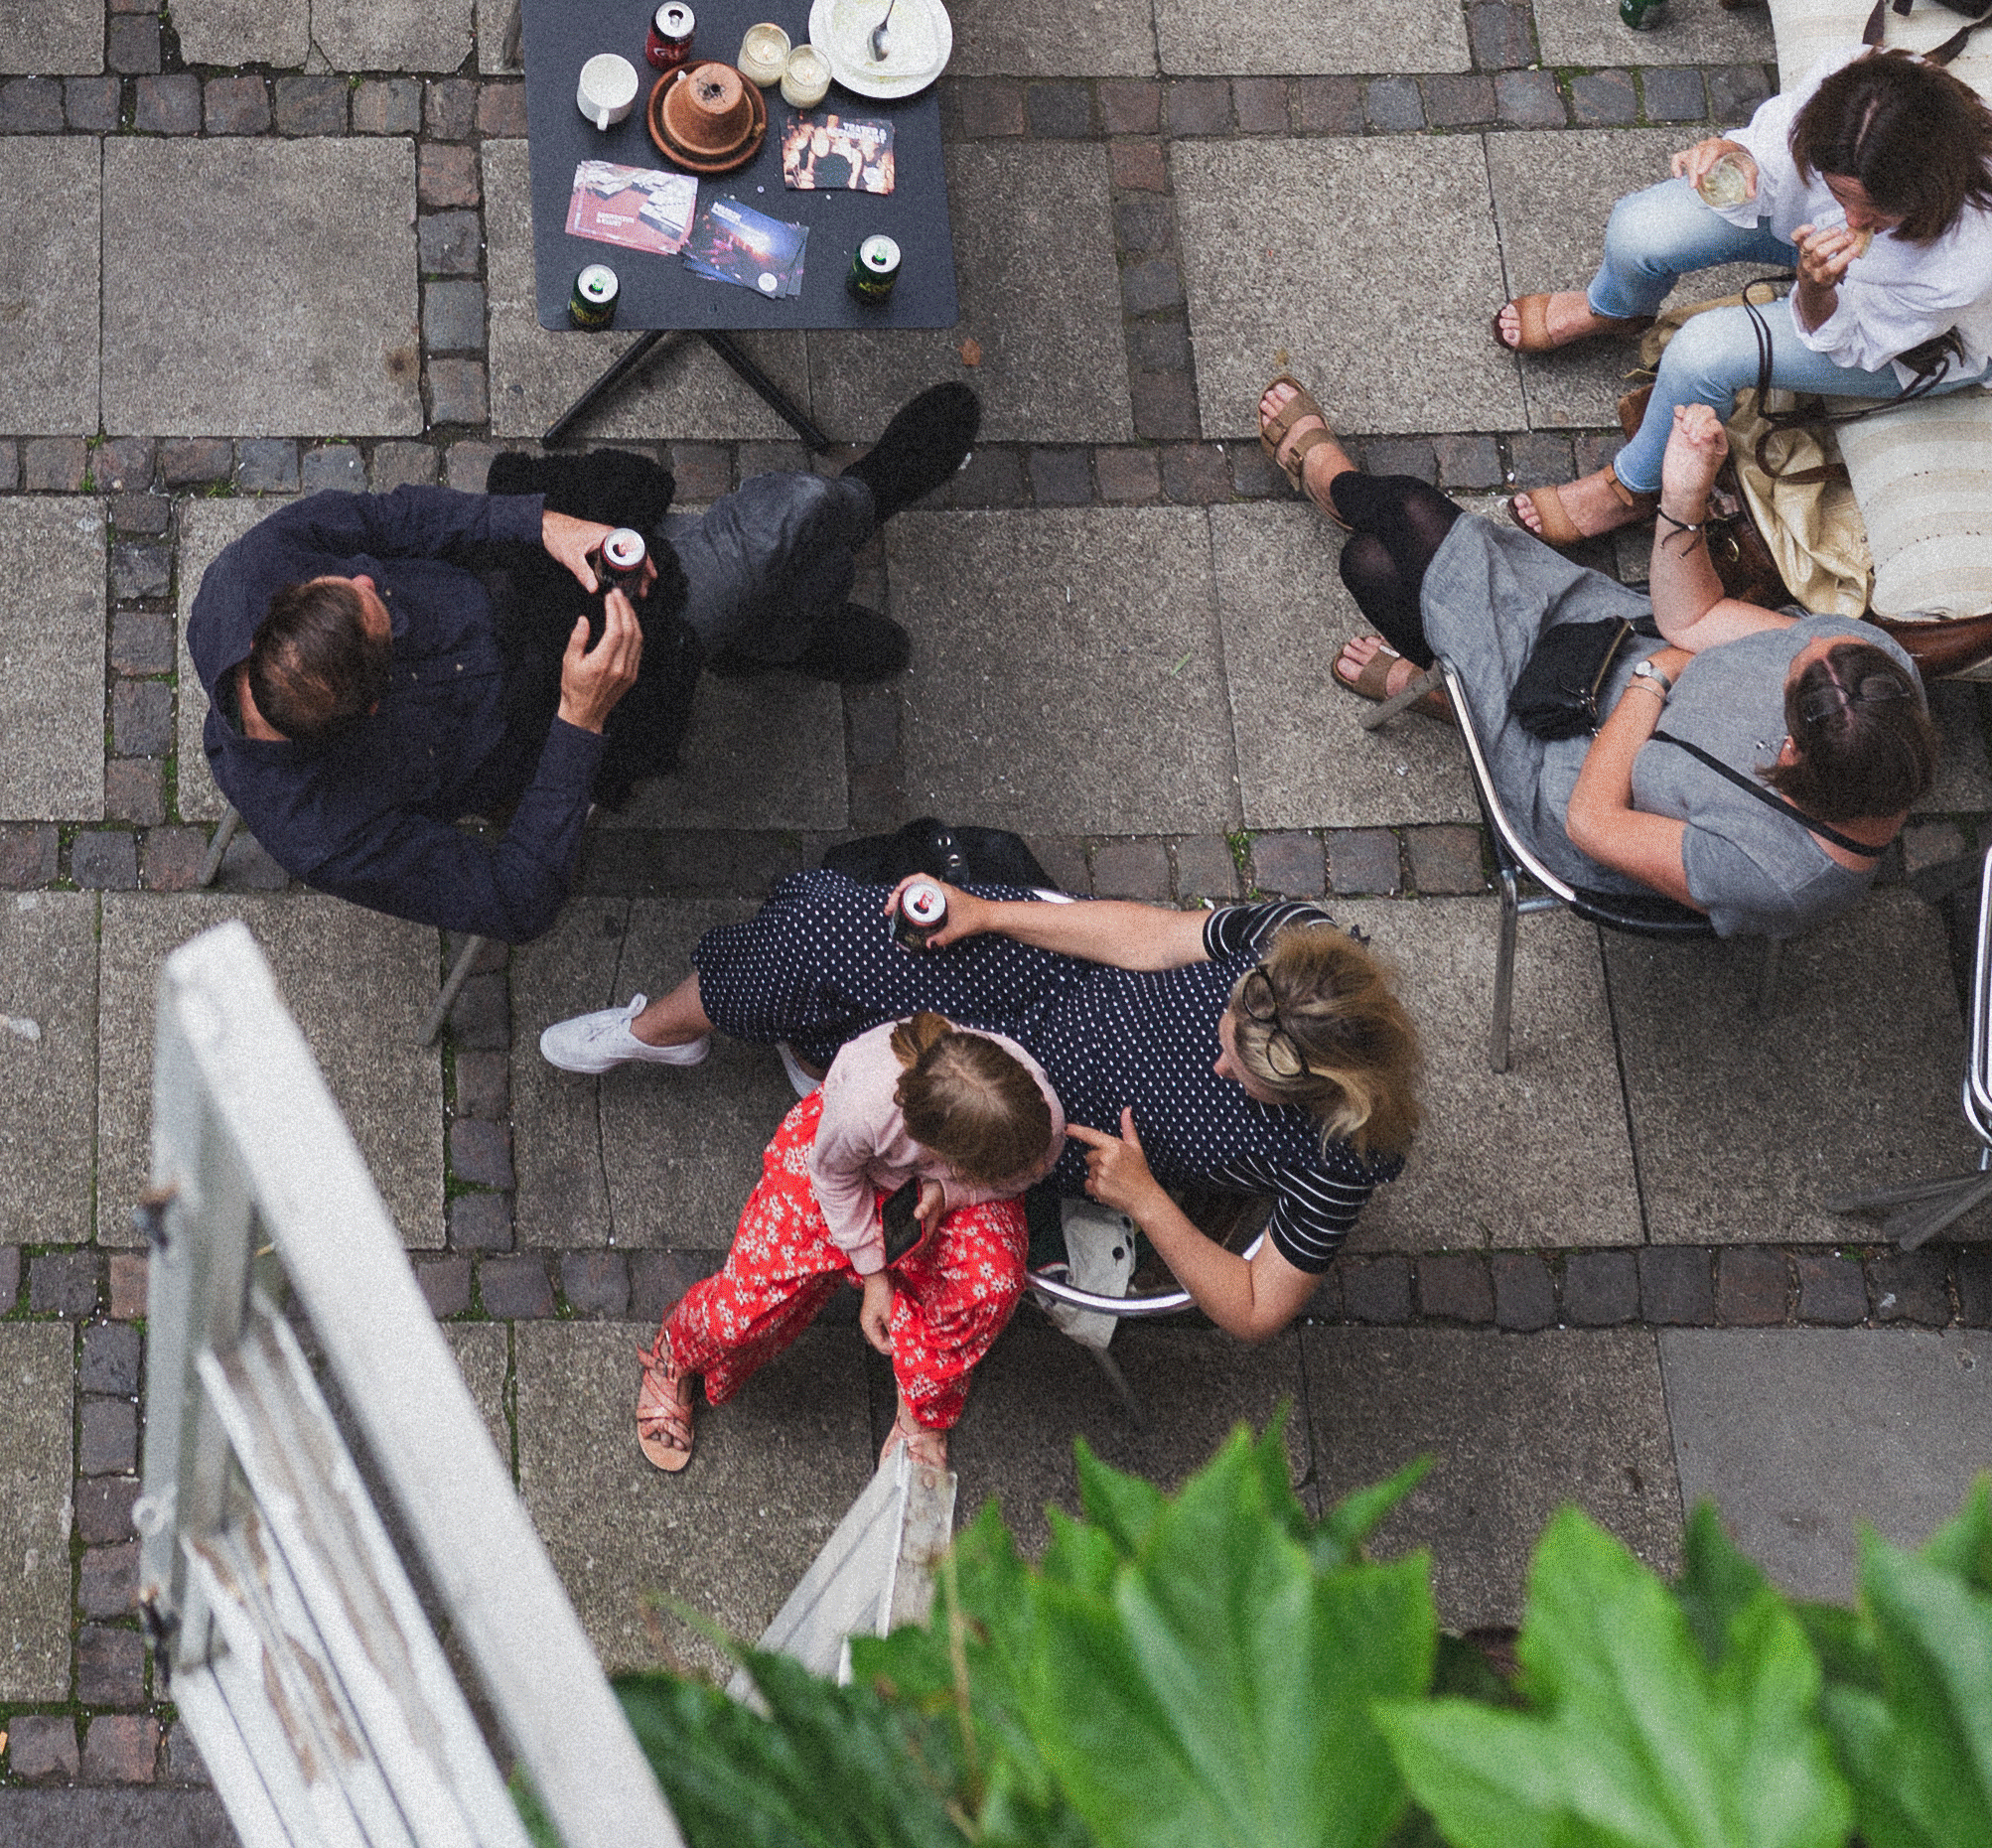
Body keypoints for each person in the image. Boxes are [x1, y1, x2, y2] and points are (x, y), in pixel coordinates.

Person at [195, 401, 986, 936]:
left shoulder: (251, 574)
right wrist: (582, 719)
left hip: (529, 574)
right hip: (547, 717)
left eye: (353, 585)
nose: (370, 580)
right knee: (792, 521)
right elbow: (517, 899)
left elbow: (394, 519)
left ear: (283, 609)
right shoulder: (326, 832)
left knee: (768, 550)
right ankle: (859, 507)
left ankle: (777, 627)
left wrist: (542, 524)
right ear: (371, 710)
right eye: (380, 617)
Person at [544, 870, 1420, 1338]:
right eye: (1226, 1029)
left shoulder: (1344, 1151)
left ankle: (847, 1066)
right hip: (1050, 988)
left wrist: (1151, 1203)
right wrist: (990, 916)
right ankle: (662, 1029)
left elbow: (1260, 1307)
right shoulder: (1289, 943)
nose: (1221, 1063)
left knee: (893, 1202)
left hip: (1045, 1129)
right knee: (819, 935)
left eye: (1247, 1077)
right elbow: (1151, 937)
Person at [1256, 371, 1935, 939]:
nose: (1798, 633)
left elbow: (1592, 822)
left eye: (1789, 665)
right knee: (1387, 543)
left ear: (1789, 752)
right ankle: (1448, 679)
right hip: (1603, 644)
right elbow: (1692, 619)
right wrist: (1682, 499)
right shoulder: (1867, 664)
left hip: (1563, 765)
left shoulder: (1776, 873)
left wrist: (1651, 679)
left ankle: (1349, 512)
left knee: (1378, 558)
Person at [1488, 54, 1992, 545]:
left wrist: (1814, 289)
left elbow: (1853, 343)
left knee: (1702, 353)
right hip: (1829, 262)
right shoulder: (1854, 99)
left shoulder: (1965, 258)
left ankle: (1638, 487)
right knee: (1639, 229)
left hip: (1917, 341)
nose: (1855, 223)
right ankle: (1617, 310)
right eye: (1842, 197)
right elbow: (1773, 154)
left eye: (1880, 212)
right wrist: (1735, 158)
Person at [633, 1014, 1062, 1479]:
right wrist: (876, 1276)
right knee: (741, 1312)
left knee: (989, 1284)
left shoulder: (1035, 1118)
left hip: (945, 1188)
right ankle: (678, 1349)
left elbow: (1019, 1176)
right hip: (841, 1171)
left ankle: (923, 1410)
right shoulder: (866, 1100)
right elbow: (833, 1176)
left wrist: (952, 1192)